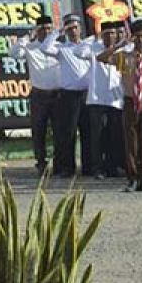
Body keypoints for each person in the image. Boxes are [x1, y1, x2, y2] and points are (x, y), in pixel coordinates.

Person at [98, 20, 142, 192]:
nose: (140, 40)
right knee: (131, 142)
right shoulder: (124, 58)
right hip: (130, 101)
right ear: (132, 38)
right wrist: (120, 44)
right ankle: (132, 178)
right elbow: (101, 58)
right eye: (137, 37)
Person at [9, 16, 60, 176]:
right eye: (42, 29)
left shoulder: (58, 46)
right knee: (39, 130)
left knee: (59, 131)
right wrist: (27, 37)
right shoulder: (31, 47)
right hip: (39, 94)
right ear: (36, 30)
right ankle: (41, 162)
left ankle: (59, 163)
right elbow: (13, 53)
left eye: (48, 29)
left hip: (58, 94)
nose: (46, 32)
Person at [43, 15, 92, 178]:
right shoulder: (62, 49)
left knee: (88, 132)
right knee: (68, 133)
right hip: (69, 95)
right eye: (69, 29)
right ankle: (67, 167)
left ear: (81, 29)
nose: (73, 31)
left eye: (75, 27)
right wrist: (58, 31)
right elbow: (44, 48)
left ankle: (88, 167)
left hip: (87, 93)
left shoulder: (88, 45)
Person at [84, 25, 125, 180]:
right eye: (106, 34)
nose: (110, 37)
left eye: (113, 34)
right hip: (97, 98)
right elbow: (98, 56)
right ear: (102, 35)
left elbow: (122, 73)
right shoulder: (93, 48)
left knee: (114, 135)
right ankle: (97, 168)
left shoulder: (122, 52)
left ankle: (112, 166)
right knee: (97, 135)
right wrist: (115, 47)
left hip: (115, 99)